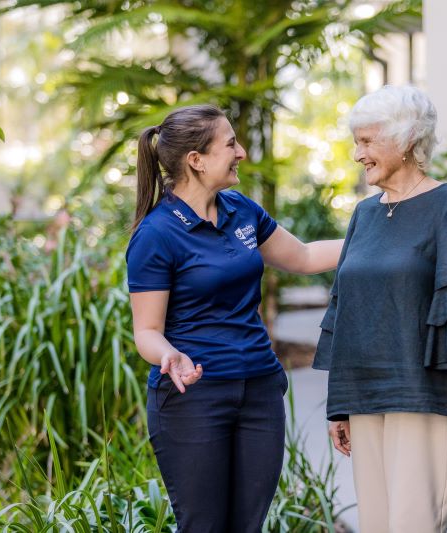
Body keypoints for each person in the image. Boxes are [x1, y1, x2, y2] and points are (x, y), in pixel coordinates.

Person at [126, 104, 343, 533]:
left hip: (260, 392)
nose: (241, 152)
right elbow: (147, 331)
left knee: (249, 525)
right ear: (196, 160)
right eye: (230, 144)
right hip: (194, 400)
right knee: (204, 526)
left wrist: (375, 232)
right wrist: (170, 356)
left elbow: (301, 256)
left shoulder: (240, 209)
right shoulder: (157, 234)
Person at [314, 85, 447, 533]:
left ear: (405, 141)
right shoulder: (363, 214)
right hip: (364, 396)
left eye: (367, 141)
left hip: (420, 391)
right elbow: (345, 311)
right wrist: (339, 406)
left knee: (413, 523)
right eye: (356, 141)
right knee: (376, 524)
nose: (357, 153)